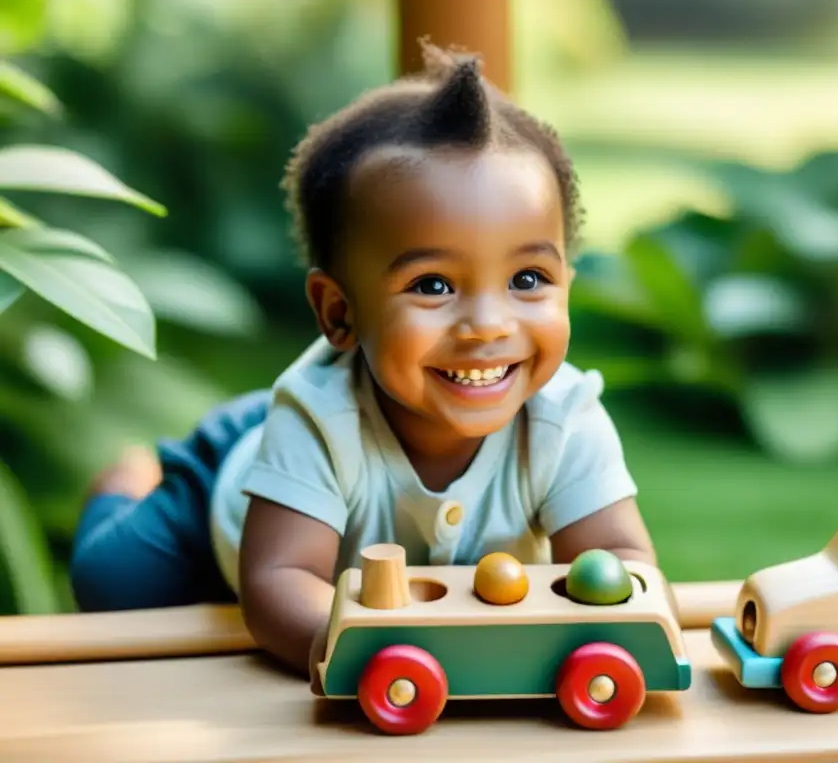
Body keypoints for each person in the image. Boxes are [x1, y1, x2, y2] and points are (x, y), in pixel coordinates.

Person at [69, 41, 657, 687]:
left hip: (319, 420)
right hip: (235, 485)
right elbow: (278, 584)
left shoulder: (564, 418)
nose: (489, 324)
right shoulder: (321, 420)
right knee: (111, 583)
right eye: (433, 285)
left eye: (527, 278)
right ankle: (130, 478)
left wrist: (609, 615)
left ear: (566, 284)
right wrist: (372, 652)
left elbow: (622, 560)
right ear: (339, 314)